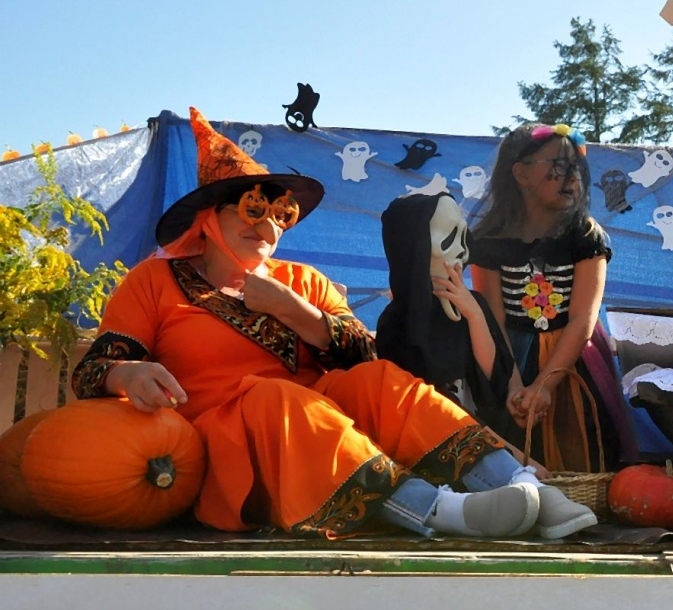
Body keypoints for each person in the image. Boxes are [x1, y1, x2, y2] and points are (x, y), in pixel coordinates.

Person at [71, 107, 598, 540]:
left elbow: (366, 355)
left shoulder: (302, 280)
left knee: (379, 382)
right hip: (223, 448)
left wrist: (293, 309)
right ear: (210, 219)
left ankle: (523, 486)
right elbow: (96, 367)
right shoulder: (154, 281)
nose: (270, 224)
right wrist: (128, 375)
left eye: (281, 214)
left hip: (323, 427)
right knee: (276, 396)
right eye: (253, 209)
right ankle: (441, 513)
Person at [468, 123, 631, 472]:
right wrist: (514, 387)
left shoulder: (585, 237)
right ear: (521, 174)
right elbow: (493, 318)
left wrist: (544, 386)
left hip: (570, 362)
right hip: (510, 357)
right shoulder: (488, 241)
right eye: (559, 166)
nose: (572, 177)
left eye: (577, 168)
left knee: (577, 450)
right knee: (515, 446)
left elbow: (582, 319)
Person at [377, 191, 518, 443]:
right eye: (449, 238)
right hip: (439, 445)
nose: (463, 252)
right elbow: (415, 406)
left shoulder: (474, 305)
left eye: (464, 237)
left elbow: (494, 379)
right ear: (414, 248)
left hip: (493, 437)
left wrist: (474, 314)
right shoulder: (395, 324)